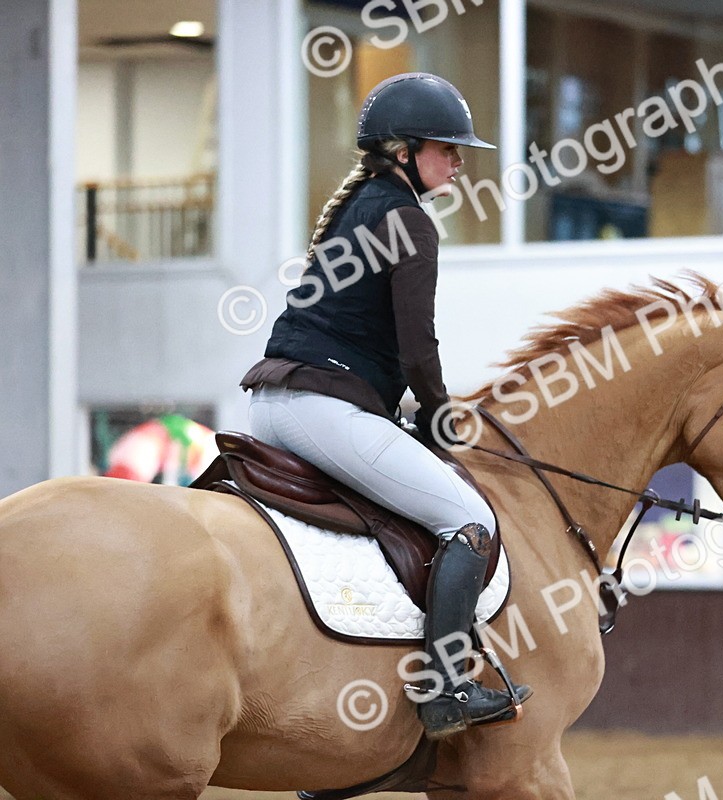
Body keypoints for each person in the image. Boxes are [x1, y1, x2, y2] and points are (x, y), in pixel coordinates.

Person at [239, 72, 531, 740]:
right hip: (319, 408)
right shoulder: (409, 222)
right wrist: (438, 412)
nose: (458, 162)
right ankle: (447, 688)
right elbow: (417, 348)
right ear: (405, 151)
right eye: (447, 149)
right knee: (468, 520)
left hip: (278, 404)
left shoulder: (360, 207)